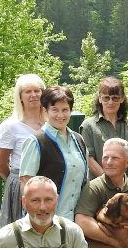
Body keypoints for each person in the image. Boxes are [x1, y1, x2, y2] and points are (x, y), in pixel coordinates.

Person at [19, 85, 89, 221]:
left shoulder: (79, 140)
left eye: (65, 110)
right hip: (47, 222)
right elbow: (26, 183)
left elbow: (85, 181)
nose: (60, 115)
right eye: (55, 110)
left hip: (76, 222)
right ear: (45, 111)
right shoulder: (36, 141)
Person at [0, 74, 45, 227]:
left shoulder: (51, 122)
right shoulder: (11, 126)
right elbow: (0, 163)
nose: (33, 95)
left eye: (37, 90)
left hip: (48, 183)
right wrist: (16, 181)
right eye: (28, 91)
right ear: (20, 96)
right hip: (23, 185)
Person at [80, 77, 128, 187]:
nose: (110, 102)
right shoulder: (88, 126)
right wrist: (108, 181)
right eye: (106, 98)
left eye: (115, 98)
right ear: (100, 99)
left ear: (122, 99)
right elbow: (88, 158)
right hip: (100, 187)